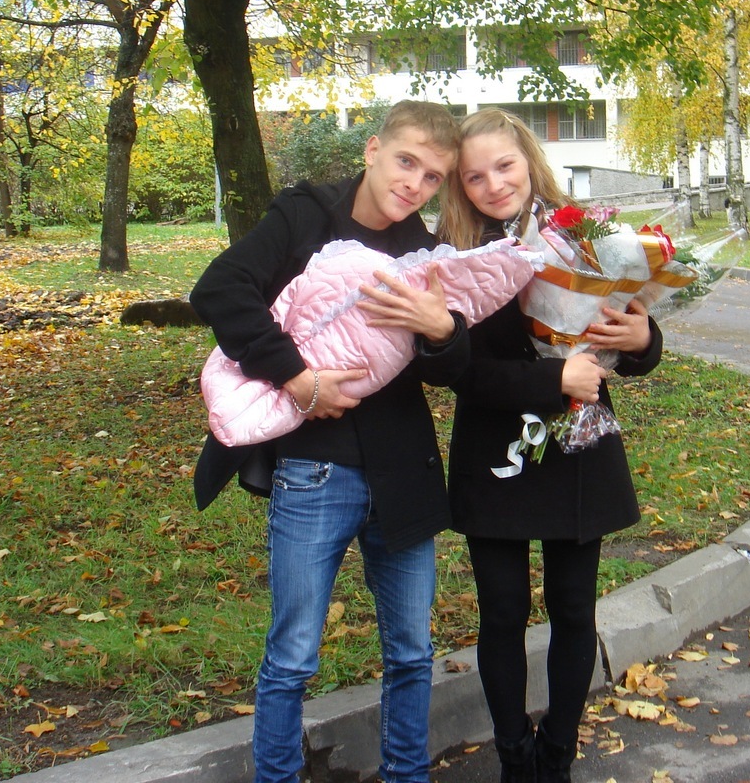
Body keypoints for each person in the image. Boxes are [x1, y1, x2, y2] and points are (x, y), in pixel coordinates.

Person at [189, 100, 468, 783]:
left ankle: (408, 775)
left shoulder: (421, 251)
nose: (414, 184)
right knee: (292, 658)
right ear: (372, 150)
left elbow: (448, 372)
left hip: (404, 470)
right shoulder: (306, 215)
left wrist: (442, 331)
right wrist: (297, 379)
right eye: (406, 162)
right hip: (316, 468)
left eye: (433, 177)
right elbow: (222, 289)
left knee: (412, 652)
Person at [436, 108, 663, 783]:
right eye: (474, 176)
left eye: (504, 166)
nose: (494, 184)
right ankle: (514, 755)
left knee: (572, 606)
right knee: (503, 610)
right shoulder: (451, 253)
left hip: (575, 443)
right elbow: (456, 371)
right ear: (459, 186)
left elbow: (628, 330)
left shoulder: (584, 233)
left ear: (529, 160)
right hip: (495, 452)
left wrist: (642, 339)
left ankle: (557, 753)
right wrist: (550, 378)